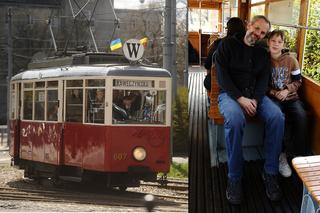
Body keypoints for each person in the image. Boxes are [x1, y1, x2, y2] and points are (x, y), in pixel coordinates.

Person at [215, 15, 284, 204]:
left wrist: (255, 99)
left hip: (255, 97)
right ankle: (235, 177)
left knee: (277, 116)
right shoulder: (227, 45)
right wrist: (241, 98)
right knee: (236, 120)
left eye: (263, 32)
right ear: (248, 25)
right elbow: (222, 78)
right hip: (230, 95)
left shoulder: (262, 52)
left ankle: (270, 172)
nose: (258, 34)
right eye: (256, 28)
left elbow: (263, 80)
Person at [267, 29, 309, 178]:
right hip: (273, 98)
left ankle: (300, 156)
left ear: (283, 44)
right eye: (273, 41)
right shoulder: (264, 60)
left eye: (279, 42)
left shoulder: (291, 60)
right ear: (268, 42)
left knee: (301, 116)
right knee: (279, 119)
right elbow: (261, 85)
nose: (276, 44)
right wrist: (274, 93)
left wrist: (286, 90)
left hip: (291, 97)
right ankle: (281, 155)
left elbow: (298, 81)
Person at [204, 17, 246, 90]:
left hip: (220, 82)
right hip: (243, 82)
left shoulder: (219, 43)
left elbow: (207, 64)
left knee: (208, 82)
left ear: (228, 29)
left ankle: (212, 99)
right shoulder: (249, 44)